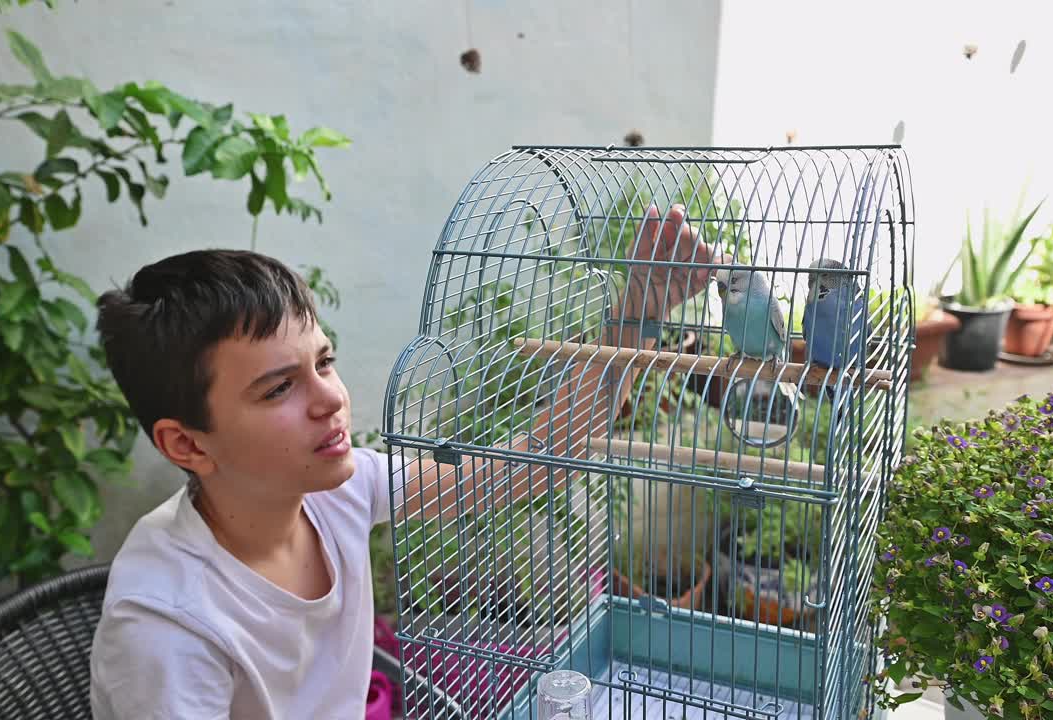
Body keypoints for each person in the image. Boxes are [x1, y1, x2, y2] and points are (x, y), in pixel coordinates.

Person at [87, 205, 723, 719]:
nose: (332, 398)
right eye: (280, 388)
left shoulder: (334, 489)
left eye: (324, 362)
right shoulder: (169, 627)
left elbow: (538, 464)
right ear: (188, 444)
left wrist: (635, 313)